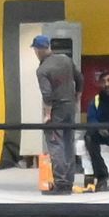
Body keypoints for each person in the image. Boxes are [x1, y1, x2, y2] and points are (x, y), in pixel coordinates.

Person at [34, 32, 84, 194]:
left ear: (38, 50)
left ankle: (61, 184)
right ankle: (68, 182)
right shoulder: (65, 59)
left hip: (57, 109)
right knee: (69, 143)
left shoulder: (42, 69)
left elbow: (47, 95)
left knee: (56, 144)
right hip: (70, 107)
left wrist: (47, 114)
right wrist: (77, 96)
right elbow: (80, 78)